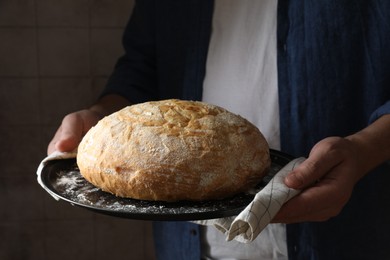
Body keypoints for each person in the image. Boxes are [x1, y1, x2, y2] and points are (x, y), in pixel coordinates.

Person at [48, 0, 390, 259]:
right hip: (193, 244)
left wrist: (363, 151)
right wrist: (100, 116)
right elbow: (141, 68)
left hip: (346, 232)